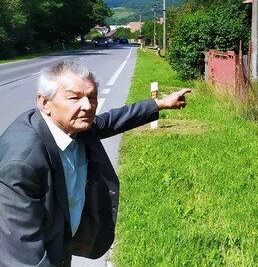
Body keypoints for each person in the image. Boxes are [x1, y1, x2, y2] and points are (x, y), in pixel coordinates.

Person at [0, 60, 191, 266]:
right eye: (74, 97)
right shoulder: (22, 164)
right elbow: (23, 253)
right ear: (44, 103)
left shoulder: (73, 126)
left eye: (92, 97)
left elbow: (110, 121)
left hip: (61, 245)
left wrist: (160, 103)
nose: (87, 106)